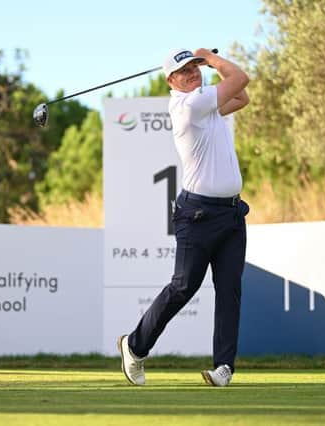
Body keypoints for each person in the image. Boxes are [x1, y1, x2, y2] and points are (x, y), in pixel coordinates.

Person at [118, 48, 250, 387]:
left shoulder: (205, 105)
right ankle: (134, 346)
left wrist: (210, 66)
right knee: (183, 286)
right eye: (185, 70)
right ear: (171, 81)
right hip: (198, 215)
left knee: (229, 289)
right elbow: (241, 79)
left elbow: (242, 96)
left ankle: (224, 367)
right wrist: (210, 57)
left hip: (231, 213)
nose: (192, 73)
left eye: (195, 67)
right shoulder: (190, 105)